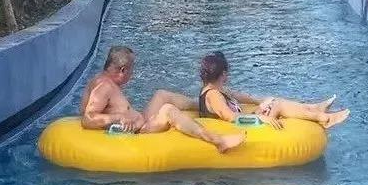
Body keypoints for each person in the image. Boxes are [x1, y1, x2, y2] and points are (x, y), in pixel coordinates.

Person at [80, 46, 246, 153]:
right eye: (132, 69)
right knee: (168, 110)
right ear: (123, 70)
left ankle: (205, 103)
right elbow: (88, 118)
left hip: (140, 121)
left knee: (161, 95)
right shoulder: (104, 86)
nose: (133, 73)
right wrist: (119, 118)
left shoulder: (103, 81)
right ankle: (218, 140)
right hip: (139, 130)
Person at [197, 51, 350, 130]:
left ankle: (315, 108)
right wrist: (262, 118)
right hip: (240, 127)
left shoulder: (217, 89)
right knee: (279, 106)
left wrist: (261, 102)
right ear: (223, 74)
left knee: (273, 101)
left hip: (245, 120)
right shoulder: (213, 95)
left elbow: (240, 96)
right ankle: (325, 119)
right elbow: (231, 118)